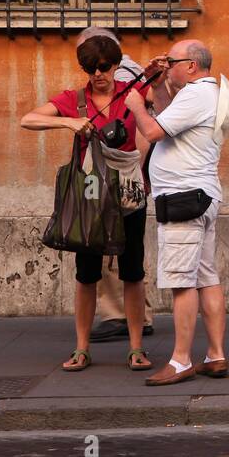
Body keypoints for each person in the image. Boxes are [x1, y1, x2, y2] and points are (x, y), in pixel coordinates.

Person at [20, 33, 152, 372]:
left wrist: (161, 73)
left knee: (133, 272)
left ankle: (136, 348)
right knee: (86, 274)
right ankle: (81, 348)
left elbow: (163, 113)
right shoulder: (74, 100)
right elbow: (28, 119)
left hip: (127, 193)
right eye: (90, 68)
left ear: (117, 66)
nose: (98, 74)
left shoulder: (131, 96)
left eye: (104, 67)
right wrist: (67, 121)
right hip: (90, 195)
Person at [124, 40, 229, 384]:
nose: (167, 65)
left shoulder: (195, 95)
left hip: (182, 197)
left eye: (172, 61)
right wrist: (159, 83)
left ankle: (180, 360)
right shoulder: (207, 94)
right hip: (202, 195)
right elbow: (167, 118)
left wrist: (135, 103)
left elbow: (151, 130)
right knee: (206, 277)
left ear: (191, 65)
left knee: (182, 282)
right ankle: (216, 355)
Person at [76, 28, 158, 344]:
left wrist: (135, 172)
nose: (92, 70)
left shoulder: (119, 75)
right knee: (125, 253)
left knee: (113, 249)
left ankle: (121, 316)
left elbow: (136, 124)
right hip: (127, 173)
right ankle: (135, 316)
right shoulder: (130, 70)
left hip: (119, 176)